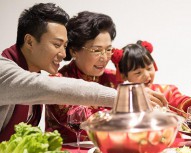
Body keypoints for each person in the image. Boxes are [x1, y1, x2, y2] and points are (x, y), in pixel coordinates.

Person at [0, 3, 167, 142]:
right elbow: (56, 89)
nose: (63, 54)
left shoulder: (33, 74)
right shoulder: (4, 71)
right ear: (29, 41)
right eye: (57, 45)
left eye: (64, 46)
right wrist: (127, 97)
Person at [45, 11, 119, 142]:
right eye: (96, 50)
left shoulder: (113, 78)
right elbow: (87, 122)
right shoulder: (58, 81)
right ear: (74, 51)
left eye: (108, 49)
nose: (104, 58)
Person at [111, 40, 191, 114]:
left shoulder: (167, 90)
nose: (147, 75)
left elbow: (179, 100)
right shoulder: (122, 99)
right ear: (124, 76)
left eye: (149, 68)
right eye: (138, 72)